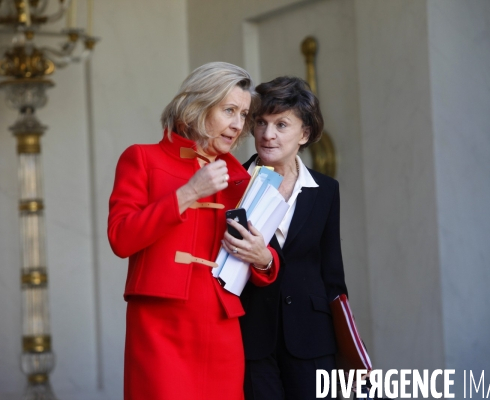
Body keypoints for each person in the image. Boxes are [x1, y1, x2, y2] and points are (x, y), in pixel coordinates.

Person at [107, 62, 279, 400]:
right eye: (229, 110)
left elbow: (261, 257)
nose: (237, 124)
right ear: (198, 105)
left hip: (221, 329)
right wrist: (187, 193)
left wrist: (265, 259)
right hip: (159, 327)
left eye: (243, 114)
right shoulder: (141, 158)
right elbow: (121, 238)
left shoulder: (243, 180)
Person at [226, 76, 348, 400]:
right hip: (251, 337)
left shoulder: (326, 191)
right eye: (261, 123)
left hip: (313, 339)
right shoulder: (231, 184)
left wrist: (344, 344)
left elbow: (332, 275)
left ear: (304, 133)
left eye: (281, 124)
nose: (268, 134)